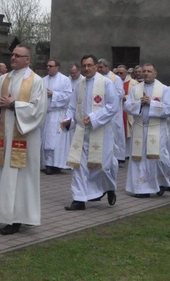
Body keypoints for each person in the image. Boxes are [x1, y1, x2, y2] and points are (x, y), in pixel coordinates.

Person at [0, 45, 46, 235]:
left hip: (24, 137)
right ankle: (6, 215)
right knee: (0, 175)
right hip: (3, 135)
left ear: (27, 59)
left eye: (17, 55)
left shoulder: (36, 81)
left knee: (21, 178)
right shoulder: (3, 79)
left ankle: (18, 218)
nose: (13, 57)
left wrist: (14, 104)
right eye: (12, 54)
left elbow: (38, 110)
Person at [62, 55, 119, 211]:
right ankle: (79, 199)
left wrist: (93, 118)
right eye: (84, 66)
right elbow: (72, 107)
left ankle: (108, 187)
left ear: (96, 66)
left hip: (100, 130)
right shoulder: (80, 84)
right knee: (78, 165)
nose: (86, 69)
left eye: (89, 65)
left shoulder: (106, 83)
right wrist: (68, 119)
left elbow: (112, 107)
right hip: (81, 131)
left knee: (103, 166)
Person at [124, 63, 170, 197]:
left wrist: (152, 103)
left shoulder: (163, 89)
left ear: (155, 73)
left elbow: (169, 109)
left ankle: (161, 182)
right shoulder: (136, 89)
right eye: (144, 71)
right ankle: (142, 188)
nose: (146, 73)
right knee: (139, 159)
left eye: (149, 71)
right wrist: (139, 103)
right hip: (140, 128)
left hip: (157, 129)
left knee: (159, 158)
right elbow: (127, 106)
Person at [41, 59, 73, 175]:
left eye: (51, 66)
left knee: (58, 141)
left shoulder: (65, 80)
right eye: (47, 66)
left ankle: (57, 164)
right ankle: (48, 164)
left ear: (57, 67)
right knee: (46, 140)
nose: (48, 68)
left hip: (59, 114)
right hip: (47, 114)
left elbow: (68, 96)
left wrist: (53, 94)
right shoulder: (43, 80)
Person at [98, 59, 126, 161]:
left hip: (114, 111)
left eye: (101, 67)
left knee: (115, 132)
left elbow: (121, 93)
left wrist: (107, 97)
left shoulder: (115, 78)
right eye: (98, 67)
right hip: (101, 108)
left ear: (107, 67)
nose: (99, 69)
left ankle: (118, 156)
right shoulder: (98, 78)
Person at [116, 64, 138, 156]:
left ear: (126, 73)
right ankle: (120, 153)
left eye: (121, 73)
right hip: (118, 109)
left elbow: (136, 95)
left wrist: (125, 97)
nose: (119, 74)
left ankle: (127, 153)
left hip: (127, 109)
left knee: (128, 132)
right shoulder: (115, 81)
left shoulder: (133, 82)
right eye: (118, 73)